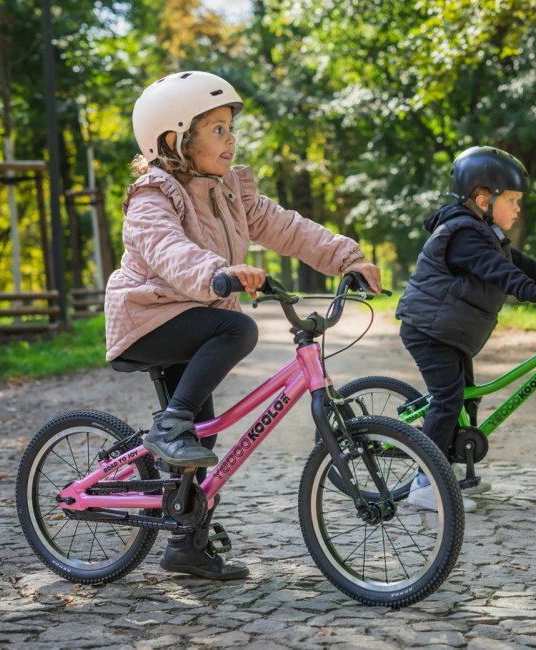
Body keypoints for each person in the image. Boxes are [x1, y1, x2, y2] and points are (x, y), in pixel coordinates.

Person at [104, 71, 381, 580]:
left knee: (202, 440)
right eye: (216, 130)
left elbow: (286, 226)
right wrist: (218, 274)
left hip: (193, 314)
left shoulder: (230, 191)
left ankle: (186, 545)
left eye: (232, 128)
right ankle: (169, 424)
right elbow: (168, 249)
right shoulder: (152, 197)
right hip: (147, 318)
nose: (231, 140)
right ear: (175, 139)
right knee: (237, 332)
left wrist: (348, 258)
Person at [395, 146, 536, 512]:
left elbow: (519, 263)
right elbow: (500, 272)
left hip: (451, 332)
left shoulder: (486, 233)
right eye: (512, 200)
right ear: (483, 198)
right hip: (430, 330)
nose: (517, 208)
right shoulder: (464, 234)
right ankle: (425, 483)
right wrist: (532, 292)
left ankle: (456, 473)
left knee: (467, 398)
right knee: (449, 398)